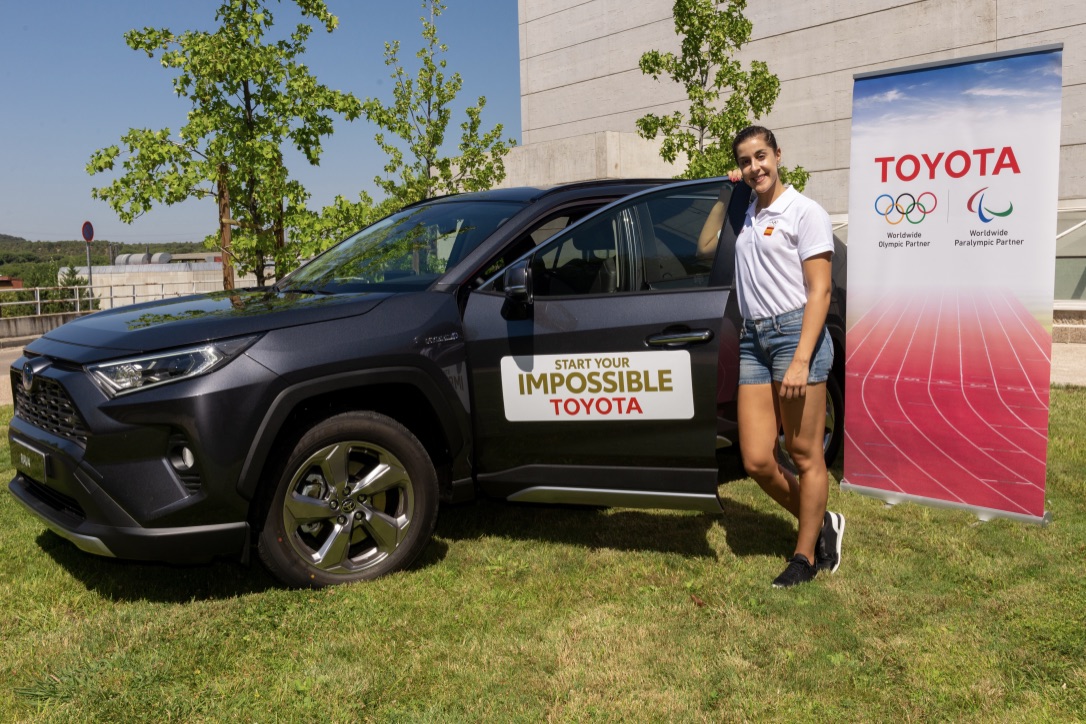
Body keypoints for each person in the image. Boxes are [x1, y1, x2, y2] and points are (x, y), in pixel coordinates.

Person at [699, 125, 844, 588]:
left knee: (803, 453)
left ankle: (804, 556)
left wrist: (802, 358)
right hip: (753, 339)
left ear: (778, 155)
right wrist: (728, 194)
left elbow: (820, 290)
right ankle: (821, 519)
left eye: (760, 156)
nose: (754, 166)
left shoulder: (805, 211)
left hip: (794, 334)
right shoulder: (746, 212)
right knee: (757, 460)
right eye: (745, 161)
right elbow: (705, 246)